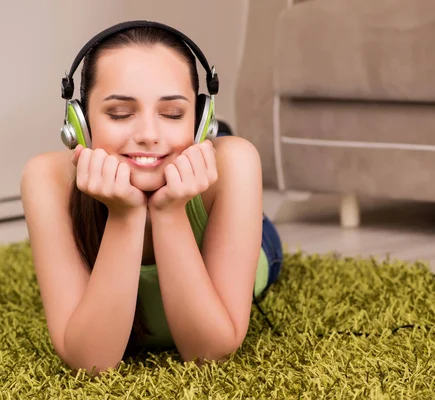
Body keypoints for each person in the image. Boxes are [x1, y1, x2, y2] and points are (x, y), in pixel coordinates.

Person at [20, 21, 283, 376]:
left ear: (202, 122)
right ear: (80, 122)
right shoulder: (47, 178)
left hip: (246, 231)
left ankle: (234, 199)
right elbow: (91, 362)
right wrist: (125, 216)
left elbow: (209, 352)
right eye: (120, 113)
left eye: (172, 114)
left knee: (256, 229)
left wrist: (172, 212)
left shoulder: (236, 162)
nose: (147, 134)